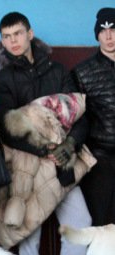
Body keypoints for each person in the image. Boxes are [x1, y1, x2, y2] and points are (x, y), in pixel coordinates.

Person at [0, 11, 91, 255]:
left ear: (30, 34)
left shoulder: (56, 70)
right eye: (6, 37)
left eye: (18, 34)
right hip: (25, 163)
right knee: (28, 230)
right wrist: (44, 151)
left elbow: (80, 112)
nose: (13, 41)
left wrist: (70, 144)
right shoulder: (1, 76)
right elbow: (6, 129)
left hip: (62, 163)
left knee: (80, 222)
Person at [70, 8, 115, 226]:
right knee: (98, 224)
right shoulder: (82, 72)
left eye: (114, 29)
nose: (109, 36)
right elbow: (78, 118)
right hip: (100, 158)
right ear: (97, 34)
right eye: (103, 31)